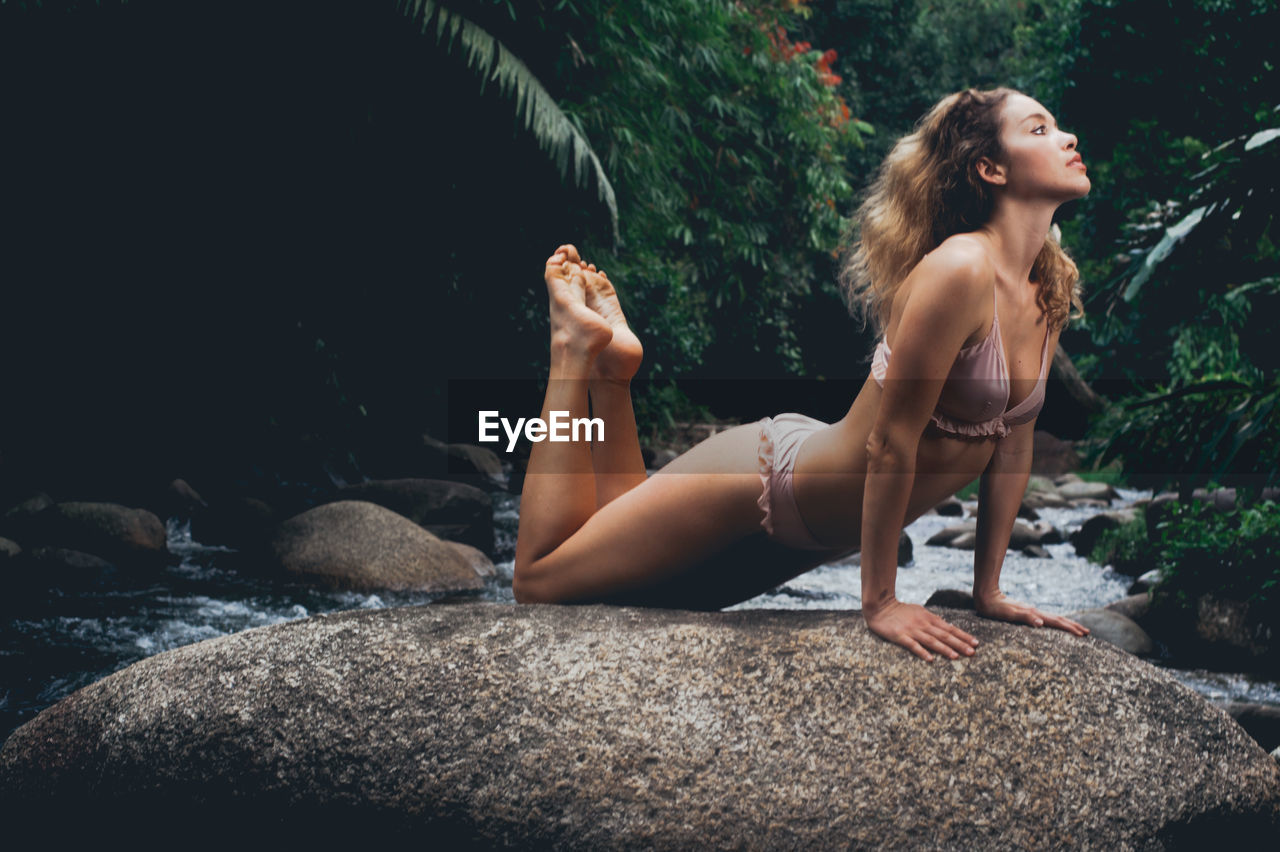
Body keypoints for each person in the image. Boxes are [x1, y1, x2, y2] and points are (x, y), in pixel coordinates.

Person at [513, 87, 1092, 662]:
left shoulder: (1048, 283)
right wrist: (881, 601)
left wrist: (988, 591)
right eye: (1038, 129)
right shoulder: (960, 270)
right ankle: (573, 351)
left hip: (813, 542)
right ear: (989, 168)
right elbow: (891, 443)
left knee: (621, 584)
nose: (1067, 137)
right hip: (765, 484)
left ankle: (614, 375)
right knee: (540, 584)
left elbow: (1013, 444)